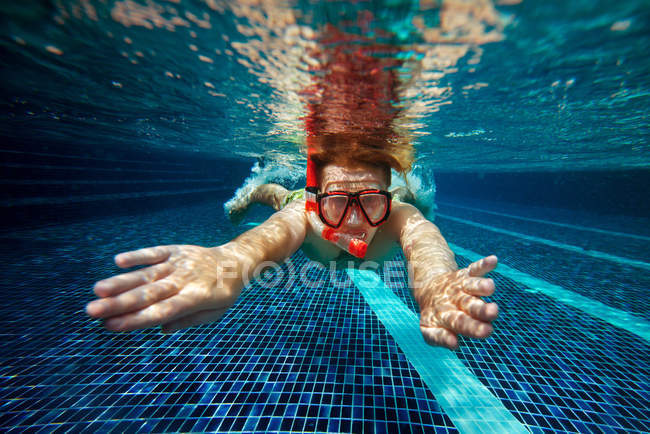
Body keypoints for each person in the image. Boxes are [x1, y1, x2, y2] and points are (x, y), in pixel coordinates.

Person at [86, 24, 499, 351]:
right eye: (337, 203)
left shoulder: (396, 214)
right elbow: (265, 239)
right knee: (274, 197)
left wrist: (435, 283)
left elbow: (424, 240)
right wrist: (227, 261)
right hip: (296, 199)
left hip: (387, 199)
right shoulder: (303, 212)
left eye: (372, 202)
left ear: (385, 198)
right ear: (318, 198)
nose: (356, 222)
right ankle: (251, 189)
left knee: (419, 206)